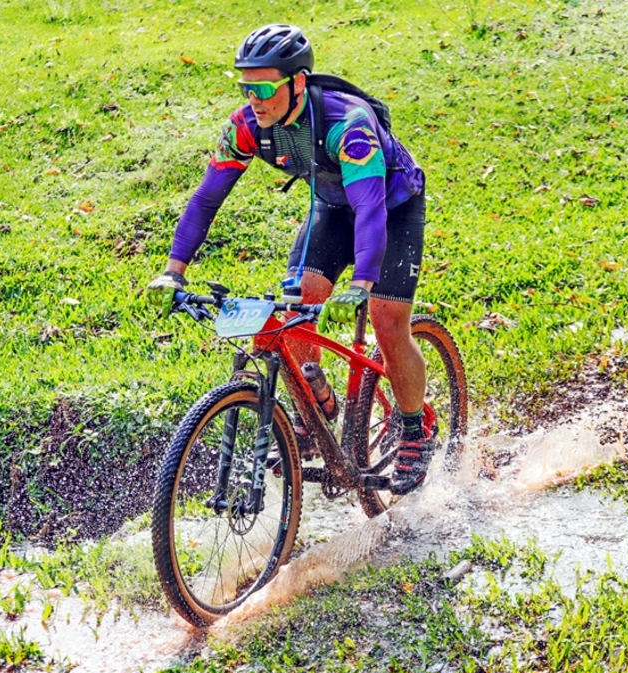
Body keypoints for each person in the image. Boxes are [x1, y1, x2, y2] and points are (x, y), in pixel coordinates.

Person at [146, 24, 432, 495]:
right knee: (295, 306)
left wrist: (361, 283)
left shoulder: (348, 124)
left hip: (390, 207)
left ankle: (414, 429)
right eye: (246, 87)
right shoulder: (244, 127)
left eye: (263, 87)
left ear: (298, 83)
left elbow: (369, 209)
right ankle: (317, 400)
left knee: (385, 319)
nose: (254, 99)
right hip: (332, 205)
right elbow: (205, 200)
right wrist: (173, 272)